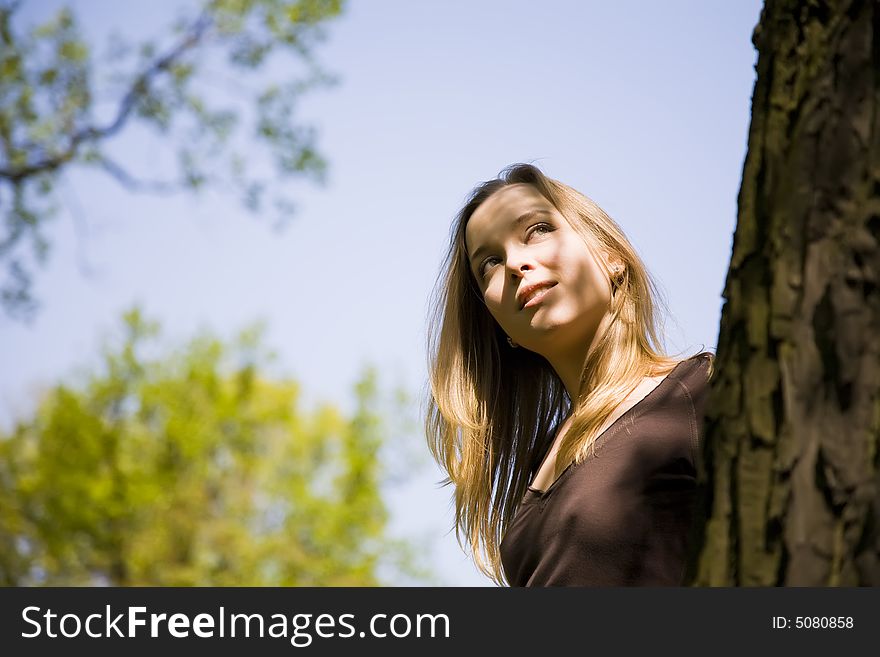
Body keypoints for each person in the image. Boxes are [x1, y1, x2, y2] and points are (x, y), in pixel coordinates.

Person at [425, 163, 715, 586]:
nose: (514, 263)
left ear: (612, 257)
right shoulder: (537, 468)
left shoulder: (698, 393)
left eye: (538, 229)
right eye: (489, 262)